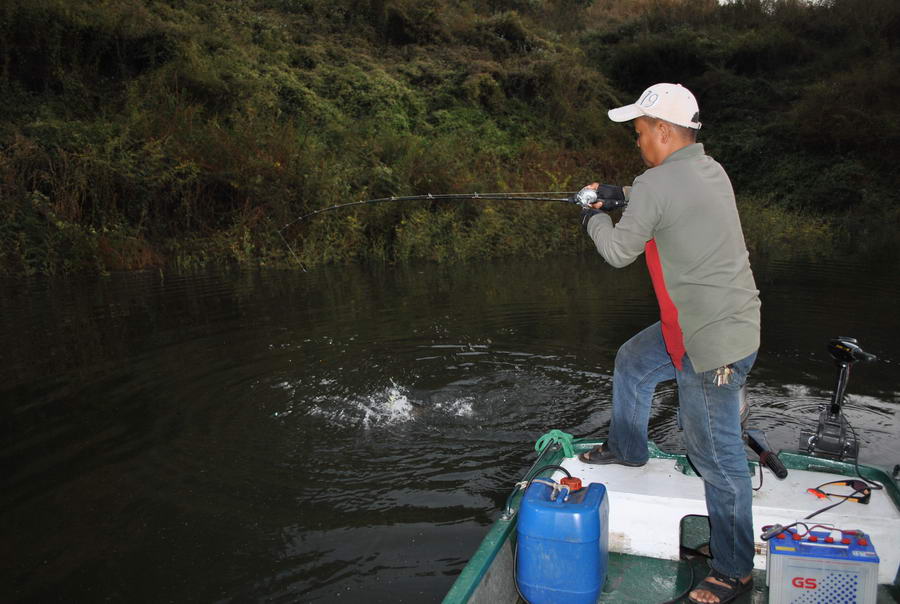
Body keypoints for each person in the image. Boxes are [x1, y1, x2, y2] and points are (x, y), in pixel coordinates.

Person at [578, 83, 761, 604]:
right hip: (710, 321)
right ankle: (628, 448)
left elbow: (616, 251)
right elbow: (660, 200)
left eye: (639, 133)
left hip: (711, 341)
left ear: (662, 130)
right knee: (633, 362)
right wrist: (621, 195)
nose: (637, 142)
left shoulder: (658, 184)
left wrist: (593, 215)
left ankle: (733, 570)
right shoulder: (709, 170)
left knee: (716, 455)